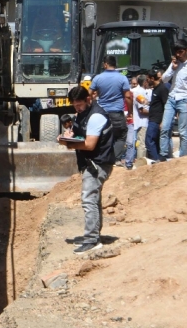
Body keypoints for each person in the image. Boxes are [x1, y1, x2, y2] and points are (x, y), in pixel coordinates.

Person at [57, 86, 114, 255]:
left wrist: (67, 143)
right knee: (93, 200)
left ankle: (91, 240)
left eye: (80, 104)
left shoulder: (96, 116)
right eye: (75, 105)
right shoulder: (83, 114)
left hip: (97, 164)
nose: (78, 108)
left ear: (88, 100)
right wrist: (69, 134)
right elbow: (80, 132)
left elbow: (89, 144)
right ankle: (94, 235)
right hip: (92, 163)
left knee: (88, 199)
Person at [88, 55, 132, 161]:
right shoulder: (122, 78)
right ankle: (115, 159)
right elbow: (128, 96)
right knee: (121, 136)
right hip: (117, 114)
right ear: (115, 65)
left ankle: (102, 159)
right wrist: (130, 112)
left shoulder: (98, 78)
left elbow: (88, 94)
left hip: (102, 114)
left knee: (102, 137)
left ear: (105, 64)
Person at [160, 38, 187, 159]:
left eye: (180, 51)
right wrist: (172, 67)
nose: (178, 54)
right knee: (165, 128)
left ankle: (183, 158)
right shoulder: (175, 63)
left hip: (185, 99)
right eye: (176, 52)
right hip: (172, 98)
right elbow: (164, 79)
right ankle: (164, 155)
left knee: (183, 132)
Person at [145, 70, 168, 161]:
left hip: (157, 120)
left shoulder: (162, 89)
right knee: (154, 141)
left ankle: (157, 159)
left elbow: (166, 105)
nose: (147, 81)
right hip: (152, 118)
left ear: (152, 78)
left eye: (148, 79)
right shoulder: (155, 89)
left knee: (149, 140)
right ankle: (157, 159)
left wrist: (163, 121)